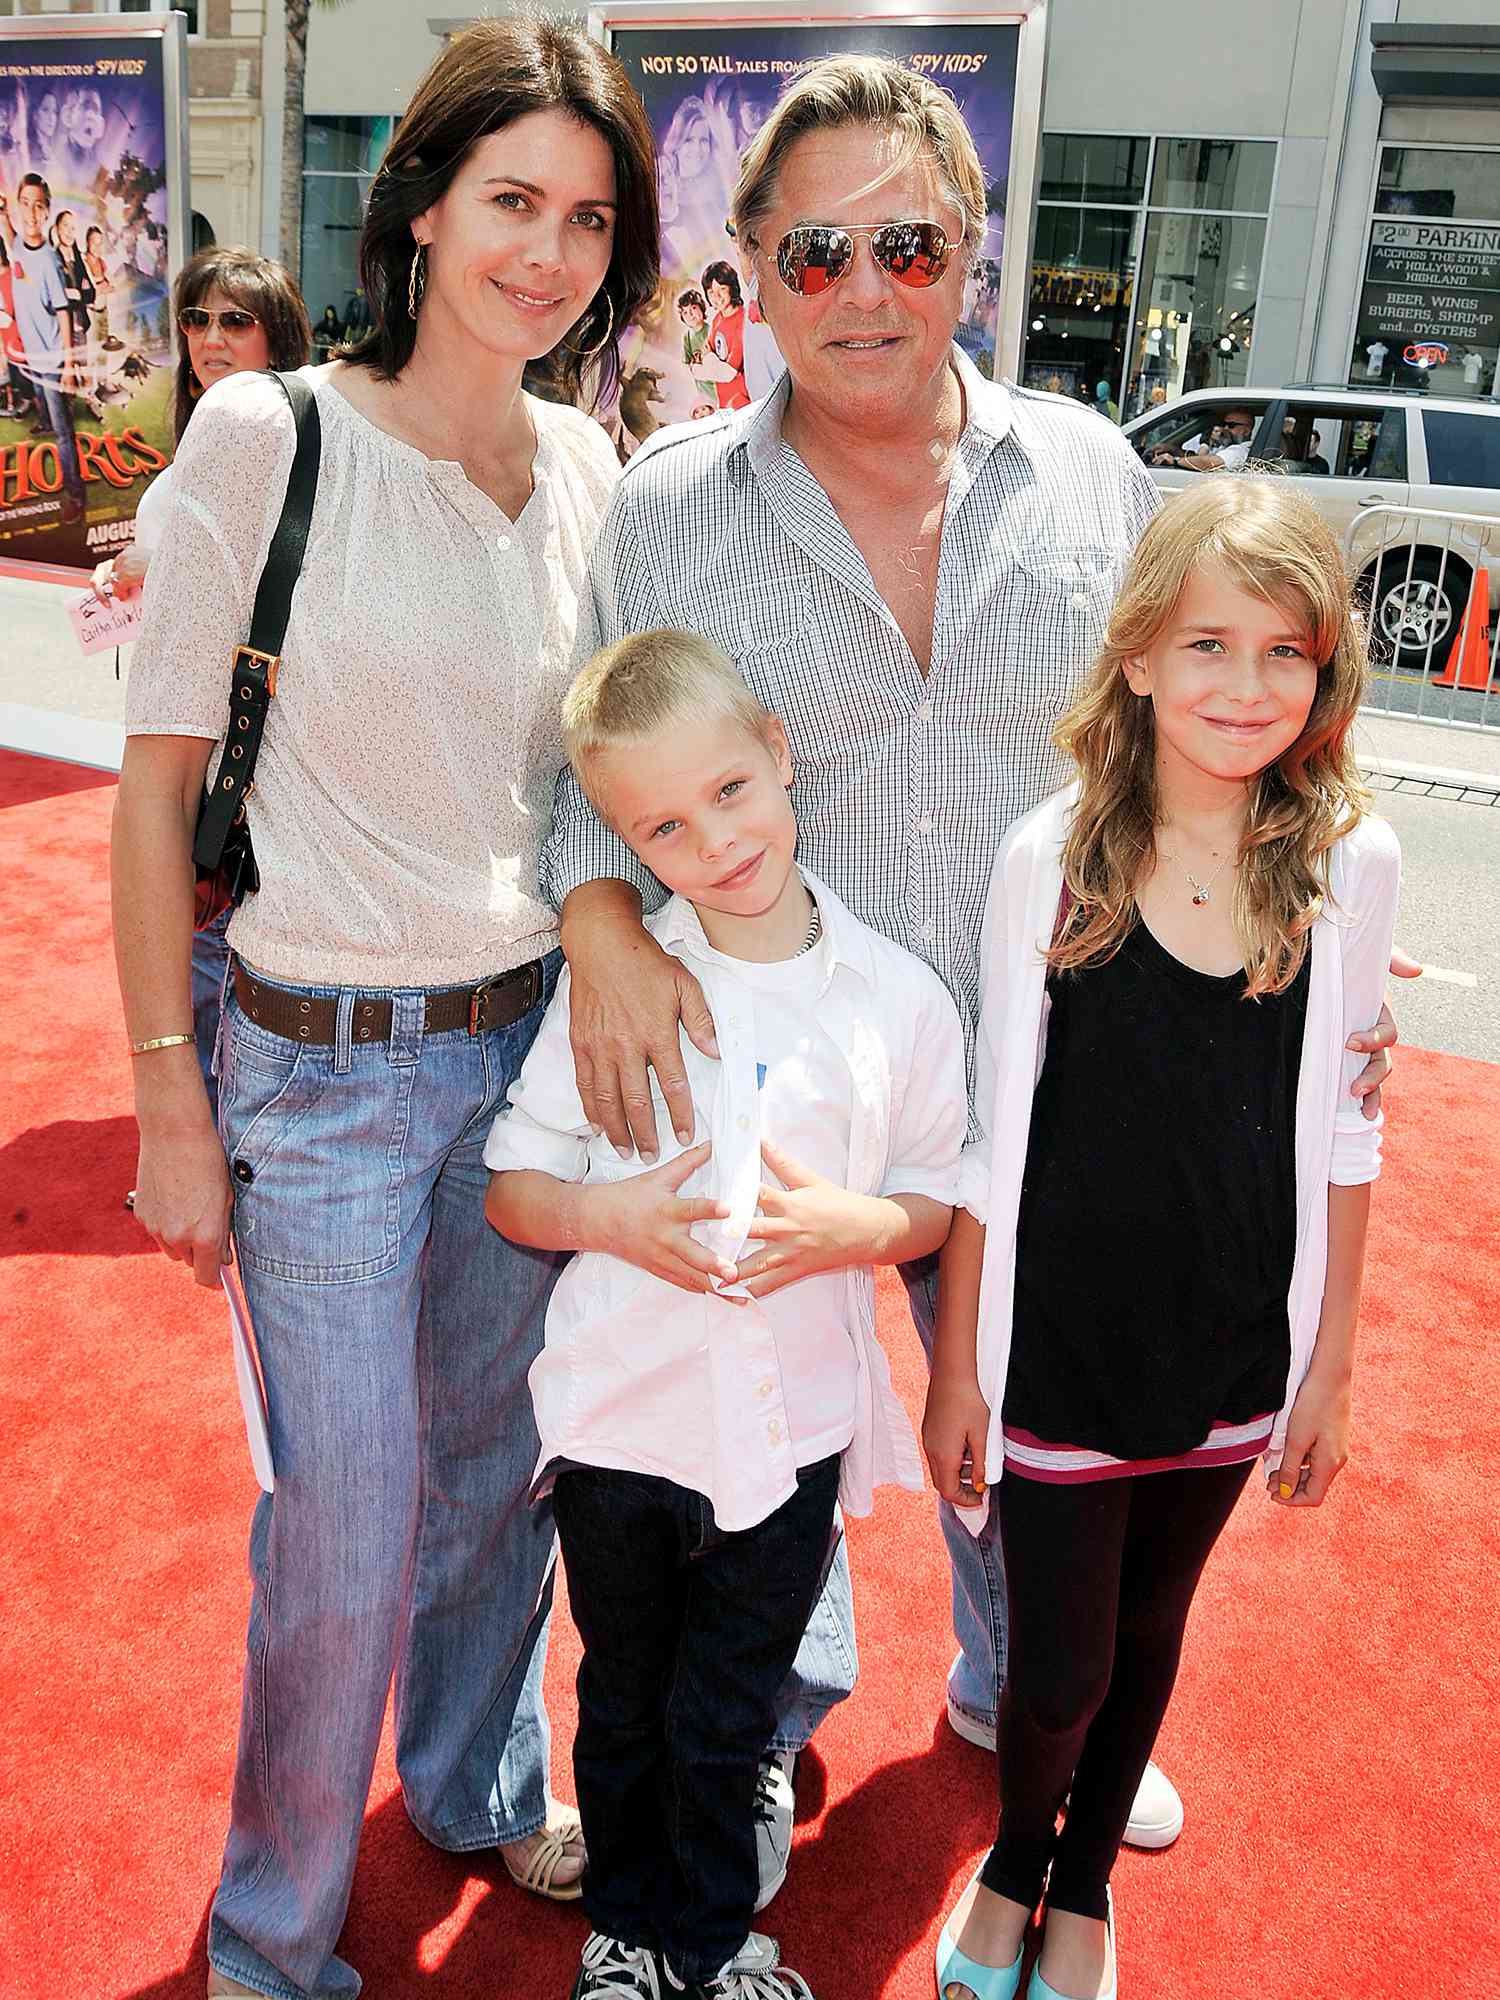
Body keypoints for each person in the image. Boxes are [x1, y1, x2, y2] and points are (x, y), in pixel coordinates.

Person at [542, 52, 1398, 1897]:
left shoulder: (1094, 474)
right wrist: (602, 918)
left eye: (910, 244)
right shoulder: (669, 503)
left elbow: (1201, 740)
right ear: (751, 274)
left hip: (1053, 1081)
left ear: (974, 257)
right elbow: (595, 762)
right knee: (754, 1428)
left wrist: (1310, 976)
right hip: (785, 1068)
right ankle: (759, 1730)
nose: (867, 290)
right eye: (820, 251)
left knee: (1030, 1414)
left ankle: (1031, 1704)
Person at [110, 20, 659, 1999]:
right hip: (318, 1075)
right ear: (419, 209)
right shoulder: (273, 436)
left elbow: (590, 767)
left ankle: (468, 1776)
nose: (549, 249)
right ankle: (271, 1942)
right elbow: (159, 785)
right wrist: (172, 1106)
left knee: (502, 1473)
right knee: (336, 1534)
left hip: (526, 1062)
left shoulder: (591, 460)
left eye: (588, 215)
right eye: (511, 199)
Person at [925, 478, 1400, 2000]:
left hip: (1231, 1343)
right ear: (1136, 656)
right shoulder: (1047, 857)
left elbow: (1346, 1133)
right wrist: (960, 1370)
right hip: (1062, 1344)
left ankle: (1076, 1897)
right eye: (1207, 643)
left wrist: (1328, 1368)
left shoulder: (1346, 863)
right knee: (1054, 1668)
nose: (1244, 686)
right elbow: (995, 1132)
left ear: (1326, 673)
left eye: (1286, 651)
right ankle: (1015, 1860)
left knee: (1149, 1635)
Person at [487, 629, 967, 2000]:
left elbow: (937, 1187)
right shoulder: (618, 981)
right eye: (666, 825)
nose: (714, 840)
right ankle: (630, 1935)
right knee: (625, 1697)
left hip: (791, 1437)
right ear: (631, 840)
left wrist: (862, 1232)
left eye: (731, 792)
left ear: (779, 749)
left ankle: (713, 1940)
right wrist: (610, 1219)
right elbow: (514, 1190)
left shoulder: (896, 997)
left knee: (732, 1706)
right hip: (623, 1424)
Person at [95, 247, 313, 1117]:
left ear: (276, 335)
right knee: (191, 947)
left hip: (246, 757)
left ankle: (221, 1134)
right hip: (178, 725)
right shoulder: (195, 441)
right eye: (196, 320)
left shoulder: (291, 444)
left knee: (216, 951)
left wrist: (157, 563)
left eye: (235, 321)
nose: (211, 338)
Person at [0, 174, 84, 524]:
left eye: (39, 205)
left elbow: (64, 311)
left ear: (47, 211)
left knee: (65, 432)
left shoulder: (49, 259)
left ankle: (75, 496)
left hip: (50, 356)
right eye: (25, 204)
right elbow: (7, 229)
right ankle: (46, 420)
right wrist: (4, 209)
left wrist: (67, 362)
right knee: (40, 401)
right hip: (30, 355)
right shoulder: (17, 245)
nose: (32, 212)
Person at [700, 257, 751, 409]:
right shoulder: (717, 319)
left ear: (732, 287)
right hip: (724, 402)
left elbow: (728, 372)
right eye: (711, 292)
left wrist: (705, 367)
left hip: (743, 401)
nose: (717, 297)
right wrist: (709, 361)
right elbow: (705, 352)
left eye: (722, 289)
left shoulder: (743, 320)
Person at [50, 208, 95, 347]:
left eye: (73, 228)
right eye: (65, 225)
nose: (70, 231)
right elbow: (51, 296)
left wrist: (76, 293)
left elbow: (91, 294)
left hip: (80, 328)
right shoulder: (51, 260)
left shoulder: (79, 261)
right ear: (57, 229)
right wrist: (77, 294)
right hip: (61, 331)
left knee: (82, 368)